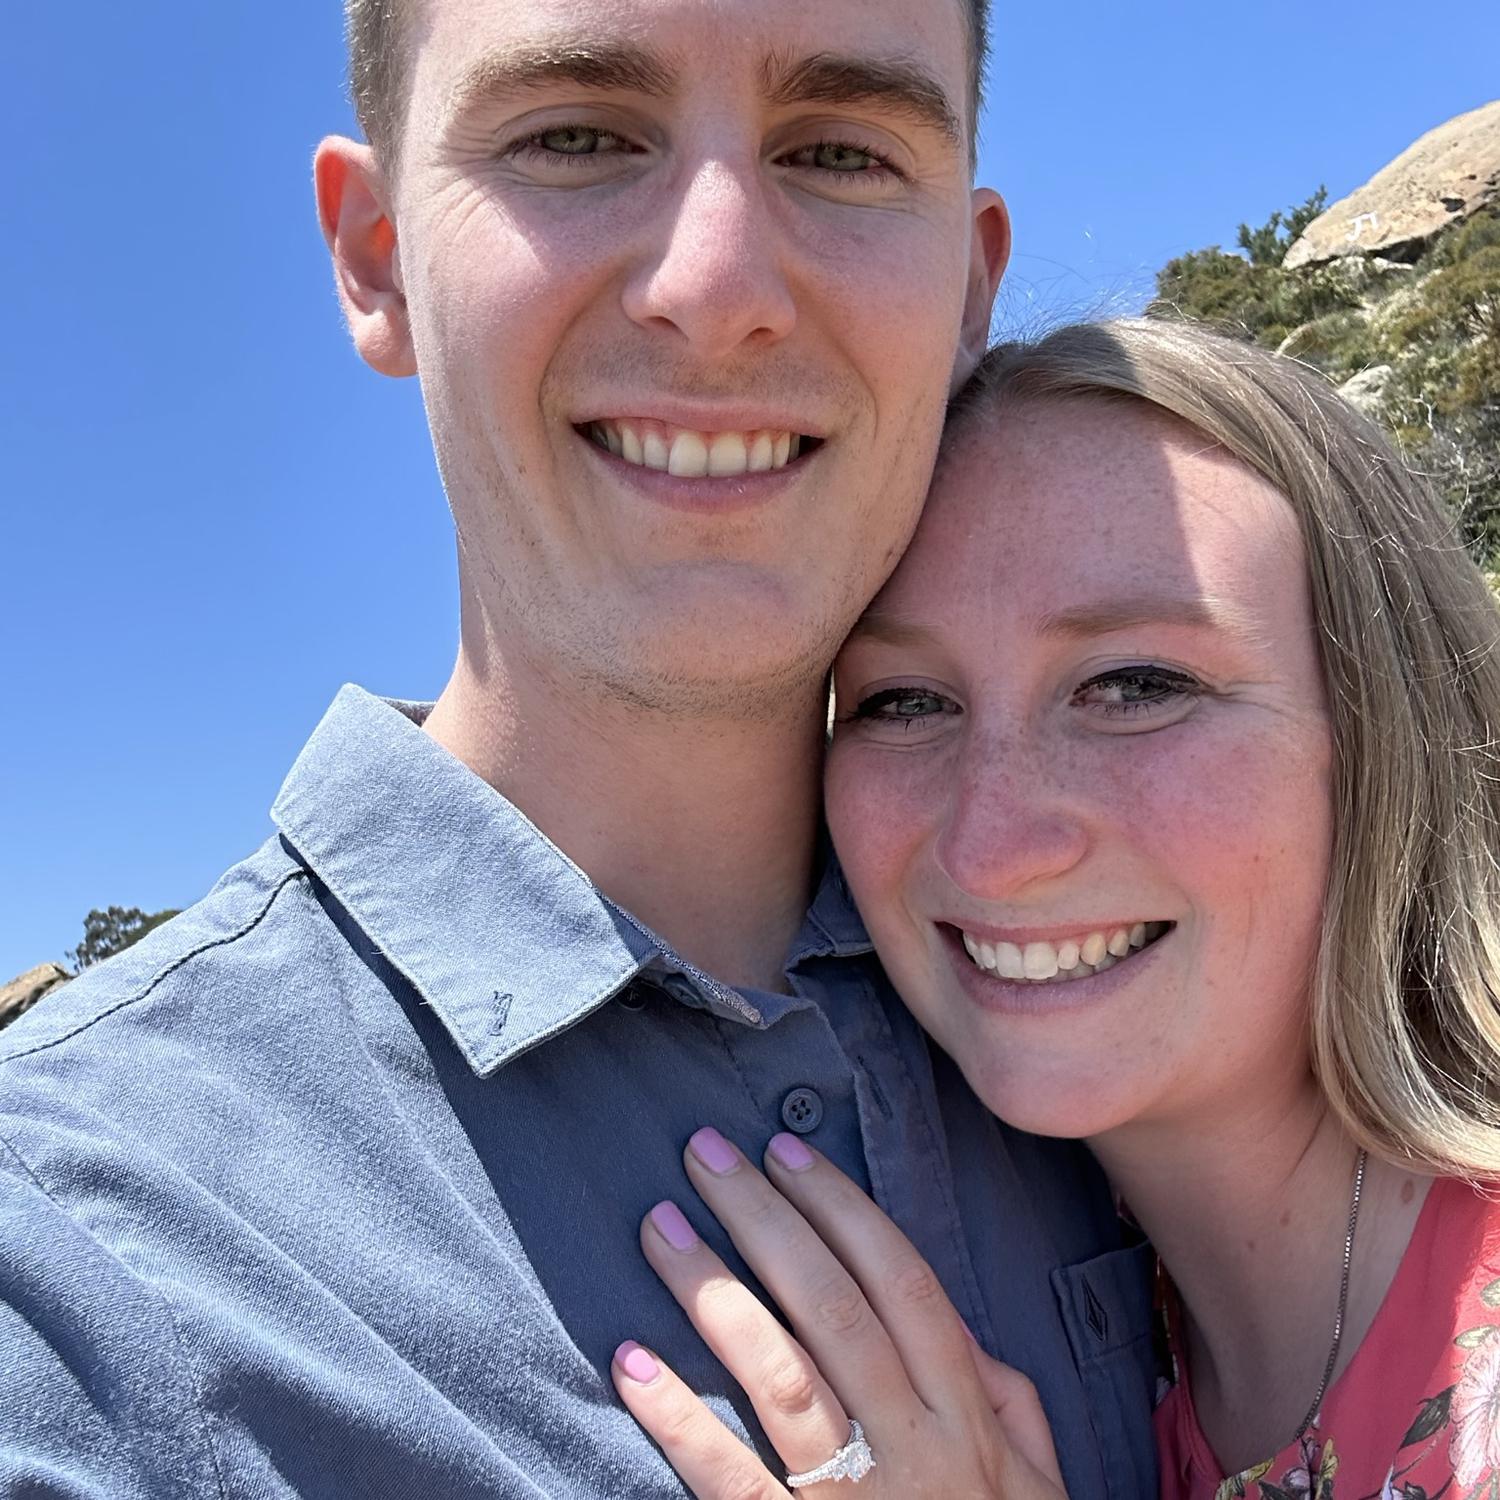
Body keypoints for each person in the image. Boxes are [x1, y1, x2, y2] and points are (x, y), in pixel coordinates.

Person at [0, 5, 1159, 1498]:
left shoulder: (1161, 993)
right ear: (377, 258)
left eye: (842, 153)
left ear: (965, 293)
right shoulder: (74, 1273)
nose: (719, 286)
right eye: (576, 137)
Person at [611, 318, 1500, 1498]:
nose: (995, 843)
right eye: (904, 702)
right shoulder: (1144, 1356)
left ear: (1383, 735)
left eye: (1136, 685)